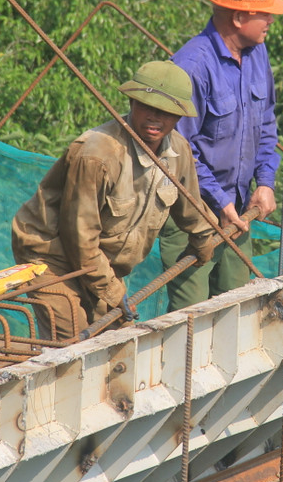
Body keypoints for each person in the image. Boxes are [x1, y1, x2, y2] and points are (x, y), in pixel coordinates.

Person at [11, 61, 216, 342]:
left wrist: (204, 238)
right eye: (147, 107)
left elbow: (190, 205)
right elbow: (79, 238)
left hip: (101, 264)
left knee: (117, 343)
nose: (155, 118)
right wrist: (111, 290)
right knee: (73, 343)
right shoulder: (97, 155)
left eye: (166, 112)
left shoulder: (178, 150)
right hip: (52, 258)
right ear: (132, 102)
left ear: (179, 116)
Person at [159, 0, 283, 311]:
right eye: (265, 13)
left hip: (237, 207)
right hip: (190, 214)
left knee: (237, 308)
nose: (271, 21)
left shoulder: (257, 52)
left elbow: (266, 123)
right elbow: (177, 151)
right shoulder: (192, 66)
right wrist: (219, 201)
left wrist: (265, 181)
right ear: (238, 17)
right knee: (192, 319)